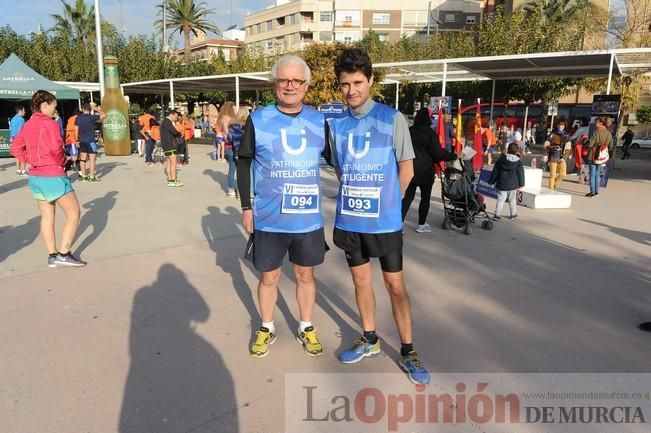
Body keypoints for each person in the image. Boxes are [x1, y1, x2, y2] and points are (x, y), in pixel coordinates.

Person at [327, 48, 429, 385]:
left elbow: (406, 170)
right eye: (345, 84)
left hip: (384, 223)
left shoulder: (392, 118)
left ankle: (408, 350)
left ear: (370, 80)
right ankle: (369, 338)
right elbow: (342, 170)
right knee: (360, 282)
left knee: (395, 286)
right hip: (350, 221)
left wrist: (388, 205)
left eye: (358, 82)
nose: (352, 90)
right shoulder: (337, 125)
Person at [237, 54, 327, 359]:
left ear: (305, 86)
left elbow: (341, 161)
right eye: (284, 80)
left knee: (305, 276)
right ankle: (266, 327)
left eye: (296, 81)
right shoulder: (258, 119)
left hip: (307, 220)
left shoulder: (319, 119)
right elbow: (243, 161)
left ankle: (306, 326)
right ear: (275, 84)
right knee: (269, 278)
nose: (290, 86)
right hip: (270, 218)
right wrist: (246, 207)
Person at [10, 90, 85, 268]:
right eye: (54, 107)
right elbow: (57, 149)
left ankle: (52, 255)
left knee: (47, 216)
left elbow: (15, 148)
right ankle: (64, 253)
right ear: (45, 105)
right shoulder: (50, 125)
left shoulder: (27, 125)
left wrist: (27, 161)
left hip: (36, 177)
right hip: (52, 174)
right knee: (74, 213)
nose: (54, 110)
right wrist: (62, 162)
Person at [401, 107, 458, 233]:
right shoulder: (430, 133)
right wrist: (453, 156)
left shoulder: (409, 131)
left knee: (408, 197)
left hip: (410, 168)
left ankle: (399, 224)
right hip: (426, 171)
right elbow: (437, 153)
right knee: (425, 198)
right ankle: (421, 225)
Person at [489, 142, 525, 220]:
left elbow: (496, 171)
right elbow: (521, 173)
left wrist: (491, 181)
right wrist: (521, 183)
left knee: (501, 199)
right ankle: (513, 214)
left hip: (502, 183)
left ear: (507, 149)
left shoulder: (502, 159)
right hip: (513, 185)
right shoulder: (518, 162)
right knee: (512, 200)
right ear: (517, 151)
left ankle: (497, 215)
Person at [75, 103, 105, 182]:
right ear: (89, 109)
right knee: (92, 159)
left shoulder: (78, 118)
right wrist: (96, 109)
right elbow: (104, 115)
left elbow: (76, 129)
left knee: (83, 159)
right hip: (91, 141)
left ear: (82, 109)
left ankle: (84, 176)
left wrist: (76, 140)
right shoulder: (91, 117)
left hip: (82, 140)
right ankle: (92, 176)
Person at [585, 117, 613, 198]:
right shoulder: (608, 133)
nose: (594, 124)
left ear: (601, 123)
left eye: (596, 122)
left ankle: (592, 192)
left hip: (593, 155)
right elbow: (611, 146)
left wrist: (587, 142)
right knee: (597, 174)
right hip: (602, 156)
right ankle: (597, 191)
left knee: (592, 174)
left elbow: (590, 144)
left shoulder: (596, 132)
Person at [226, 107, 248, 198]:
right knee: (242, 172)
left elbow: (229, 138)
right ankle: (240, 191)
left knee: (231, 170)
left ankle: (230, 190)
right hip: (242, 150)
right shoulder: (247, 125)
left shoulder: (231, 125)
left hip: (231, 149)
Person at [544, 121, 570, 190]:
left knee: (563, 174)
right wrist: (552, 148)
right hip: (553, 156)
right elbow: (546, 144)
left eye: (562, 125)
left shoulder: (566, 135)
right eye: (559, 125)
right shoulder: (552, 134)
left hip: (562, 157)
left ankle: (554, 183)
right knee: (552, 175)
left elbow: (568, 147)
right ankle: (551, 189)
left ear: (564, 126)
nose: (560, 126)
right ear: (557, 125)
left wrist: (564, 157)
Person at [160, 110, 183, 187]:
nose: (176, 119)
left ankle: (170, 179)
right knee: (174, 163)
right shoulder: (168, 122)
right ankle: (173, 180)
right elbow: (174, 132)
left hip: (165, 145)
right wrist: (180, 134)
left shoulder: (163, 122)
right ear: (171, 115)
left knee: (169, 163)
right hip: (171, 145)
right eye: (175, 117)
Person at [10, 105, 27, 175]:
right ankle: (23, 170)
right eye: (24, 110)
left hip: (14, 139)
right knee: (22, 154)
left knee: (17, 155)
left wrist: (11, 137)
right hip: (20, 139)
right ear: (20, 111)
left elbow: (11, 130)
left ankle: (18, 170)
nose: (25, 112)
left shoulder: (12, 119)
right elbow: (22, 130)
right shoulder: (21, 119)